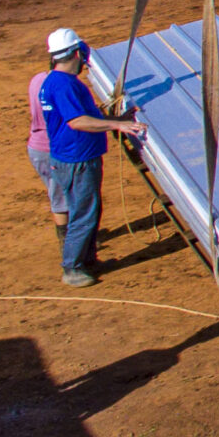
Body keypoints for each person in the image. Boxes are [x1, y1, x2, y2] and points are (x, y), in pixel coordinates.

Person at [40, 29, 147, 287]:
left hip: (73, 156)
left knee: (89, 209)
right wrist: (117, 126)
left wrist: (116, 120)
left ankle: (87, 261)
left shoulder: (54, 82)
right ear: (77, 53)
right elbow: (78, 121)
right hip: (77, 158)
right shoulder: (64, 85)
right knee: (84, 213)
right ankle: (72, 268)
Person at [25, 41, 64, 224]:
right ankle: (70, 245)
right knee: (62, 202)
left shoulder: (36, 79)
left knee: (56, 194)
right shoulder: (62, 87)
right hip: (54, 151)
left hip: (36, 148)